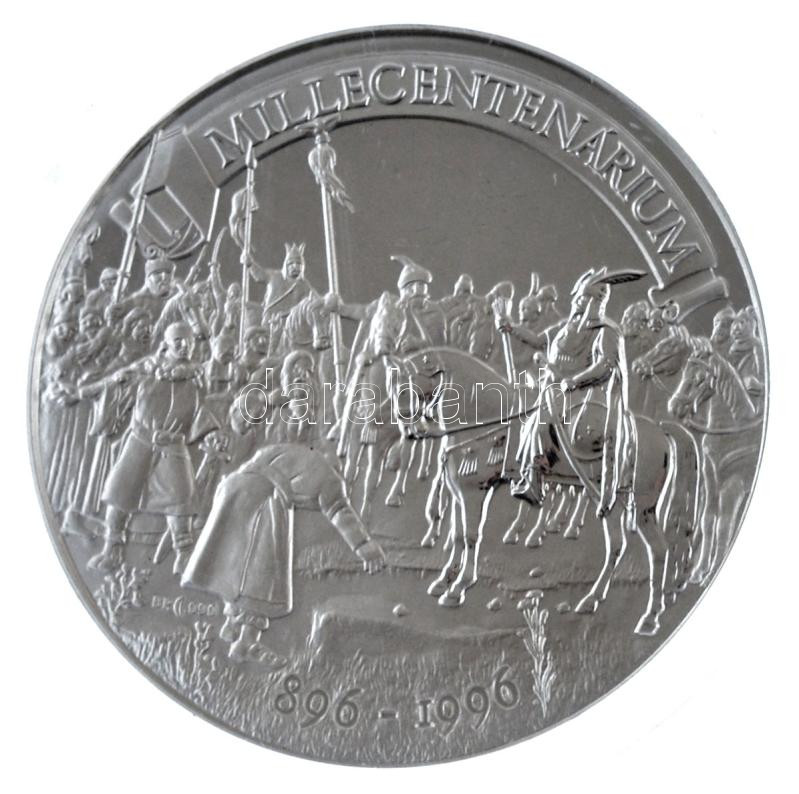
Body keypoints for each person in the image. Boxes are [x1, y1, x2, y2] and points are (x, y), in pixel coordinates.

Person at [72, 321, 217, 574]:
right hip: (141, 440)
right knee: (119, 493)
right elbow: (116, 383)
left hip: (174, 443)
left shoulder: (197, 377)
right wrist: (89, 390)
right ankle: (112, 550)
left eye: (189, 341)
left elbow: (201, 409)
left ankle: (184, 556)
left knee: (182, 499)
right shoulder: (147, 369)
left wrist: (211, 433)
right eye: (178, 341)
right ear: (166, 344)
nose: (184, 345)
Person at [508, 267, 644, 517]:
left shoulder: (605, 330)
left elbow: (605, 365)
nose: (577, 303)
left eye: (582, 298)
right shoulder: (566, 327)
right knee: (526, 417)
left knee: (540, 422)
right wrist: (510, 328)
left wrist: (574, 381)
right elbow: (538, 340)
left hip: (587, 396)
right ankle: (529, 472)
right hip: (557, 389)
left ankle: (534, 480)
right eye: (578, 298)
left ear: (594, 300)